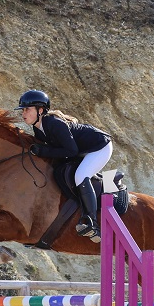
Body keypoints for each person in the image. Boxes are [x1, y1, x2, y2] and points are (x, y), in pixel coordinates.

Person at [15, 90, 112, 243]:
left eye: (27, 109)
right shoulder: (38, 129)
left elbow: (70, 150)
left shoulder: (54, 124)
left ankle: (92, 223)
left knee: (80, 176)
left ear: (40, 111)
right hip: (80, 150)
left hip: (99, 147)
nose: (23, 113)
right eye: (23, 110)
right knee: (59, 172)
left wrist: (43, 150)